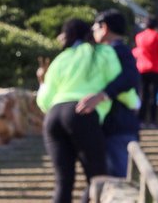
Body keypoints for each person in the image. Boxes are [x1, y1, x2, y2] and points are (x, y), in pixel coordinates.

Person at [36, 19, 122, 203]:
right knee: (98, 178)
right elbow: (119, 83)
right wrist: (134, 103)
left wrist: (41, 84)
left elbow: (44, 101)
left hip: (53, 117)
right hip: (82, 112)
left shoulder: (60, 58)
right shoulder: (102, 51)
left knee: (63, 182)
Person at [75, 9, 141, 178]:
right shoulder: (117, 51)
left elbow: (130, 77)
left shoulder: (118, 50)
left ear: (104, 27)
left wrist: (102, 95)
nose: (93, 31)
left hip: (117, 126)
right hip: (117, 125)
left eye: (95, 27)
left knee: (118, 179)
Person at [133, 16, 158, 128]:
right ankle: (153, 121)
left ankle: (141, 120)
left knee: (143, 95)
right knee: (154, 96)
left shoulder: (139, 37)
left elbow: (138, 51)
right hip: (156, 69)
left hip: (142, 69)